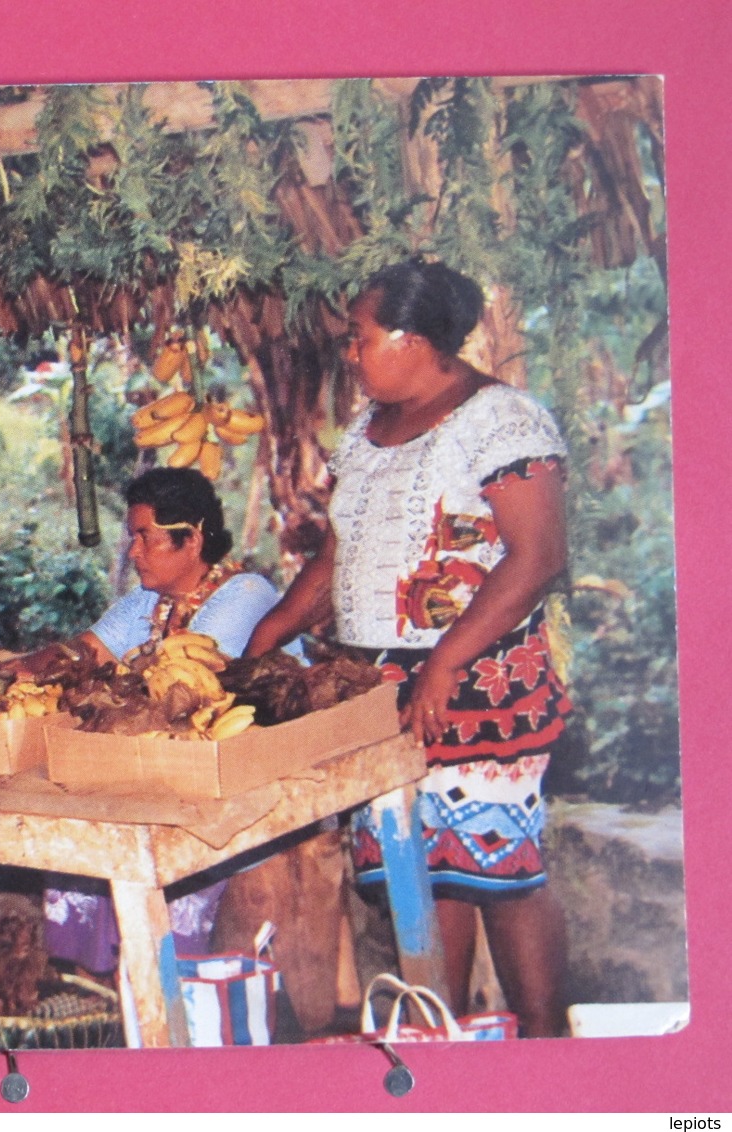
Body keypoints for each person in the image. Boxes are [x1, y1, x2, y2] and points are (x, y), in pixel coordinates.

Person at [245, 258, 572, 1037]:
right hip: (377, 692)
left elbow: (537, 556)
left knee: (502, 869)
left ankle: (551, 1045)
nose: (350, 355)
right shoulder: (365, 431)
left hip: (481, 685)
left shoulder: (504, 421)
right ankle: (443, 1037)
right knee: (426, 874)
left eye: (360, 339)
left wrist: (446, 662)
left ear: (414, 337)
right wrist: (272, 632)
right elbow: (340, 552)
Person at [13, 468, 285, 978]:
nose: (133, 551)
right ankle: (99, 983)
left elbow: (184, 691)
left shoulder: (244, 594)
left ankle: (157, 987)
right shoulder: (147, 601)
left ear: (193, 539)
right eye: (131, 537)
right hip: (171, 765)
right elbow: (84, 650)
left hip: (246, 778)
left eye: (146, 537)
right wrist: (22, 667)